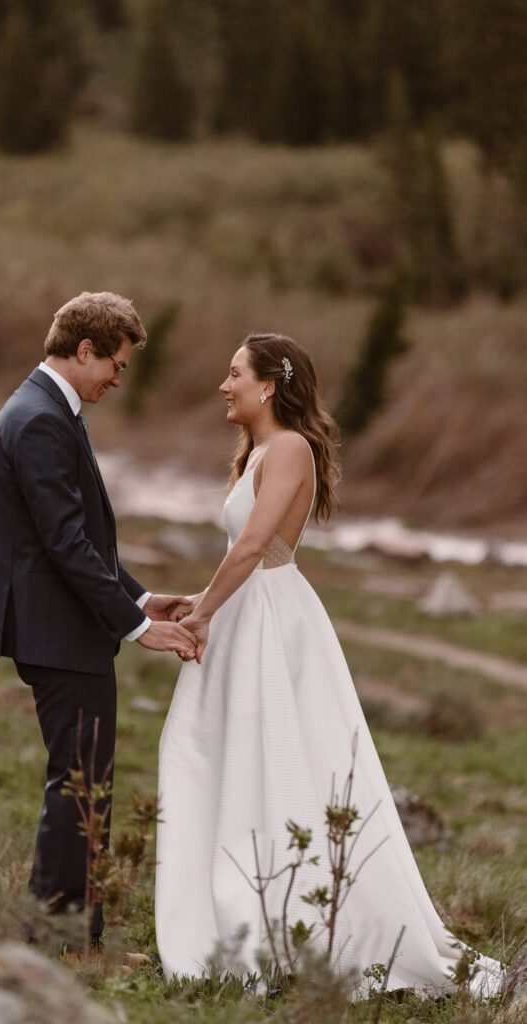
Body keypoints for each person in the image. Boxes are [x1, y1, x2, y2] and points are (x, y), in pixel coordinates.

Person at [155, 333, 503, 996]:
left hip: (269, 619)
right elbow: (242, 552)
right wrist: (201, 601)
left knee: (272, 758)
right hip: (247, 610)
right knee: (221, 751)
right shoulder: (260, 451)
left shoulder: (288, 448)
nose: (224, 385)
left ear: (267, 386)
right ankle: (232, 910)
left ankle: (285, 922)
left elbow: (255, 545)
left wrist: (203, 616)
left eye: (234, 374)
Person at [0, 291, 195, 942]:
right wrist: (138, 627)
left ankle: (69, 932)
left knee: (84, 781)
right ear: (83, 350)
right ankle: (60, 935)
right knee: (79, 784)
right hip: (58, 632)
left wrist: (139, 598)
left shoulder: (46, 408)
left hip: (61, 627)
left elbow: (78, 542)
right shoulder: (42, 420)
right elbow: (65, 543)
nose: (117, 380)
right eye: (116, 365)